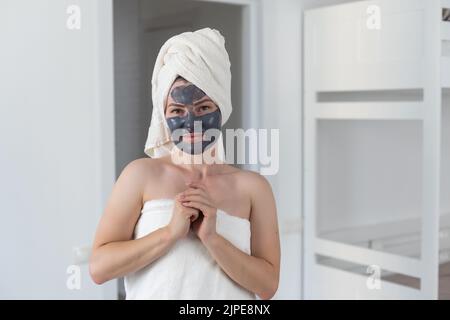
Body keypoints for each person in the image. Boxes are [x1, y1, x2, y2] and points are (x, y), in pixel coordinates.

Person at [89, 28, 280, 300]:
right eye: (177, 111)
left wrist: (212, 238)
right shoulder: (140, 176)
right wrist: (169, 234)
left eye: (203, 108)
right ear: (163, 114)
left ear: (221, 107)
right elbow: (99, 268)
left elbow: (267, 286)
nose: (191, 123)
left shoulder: (254, 188)